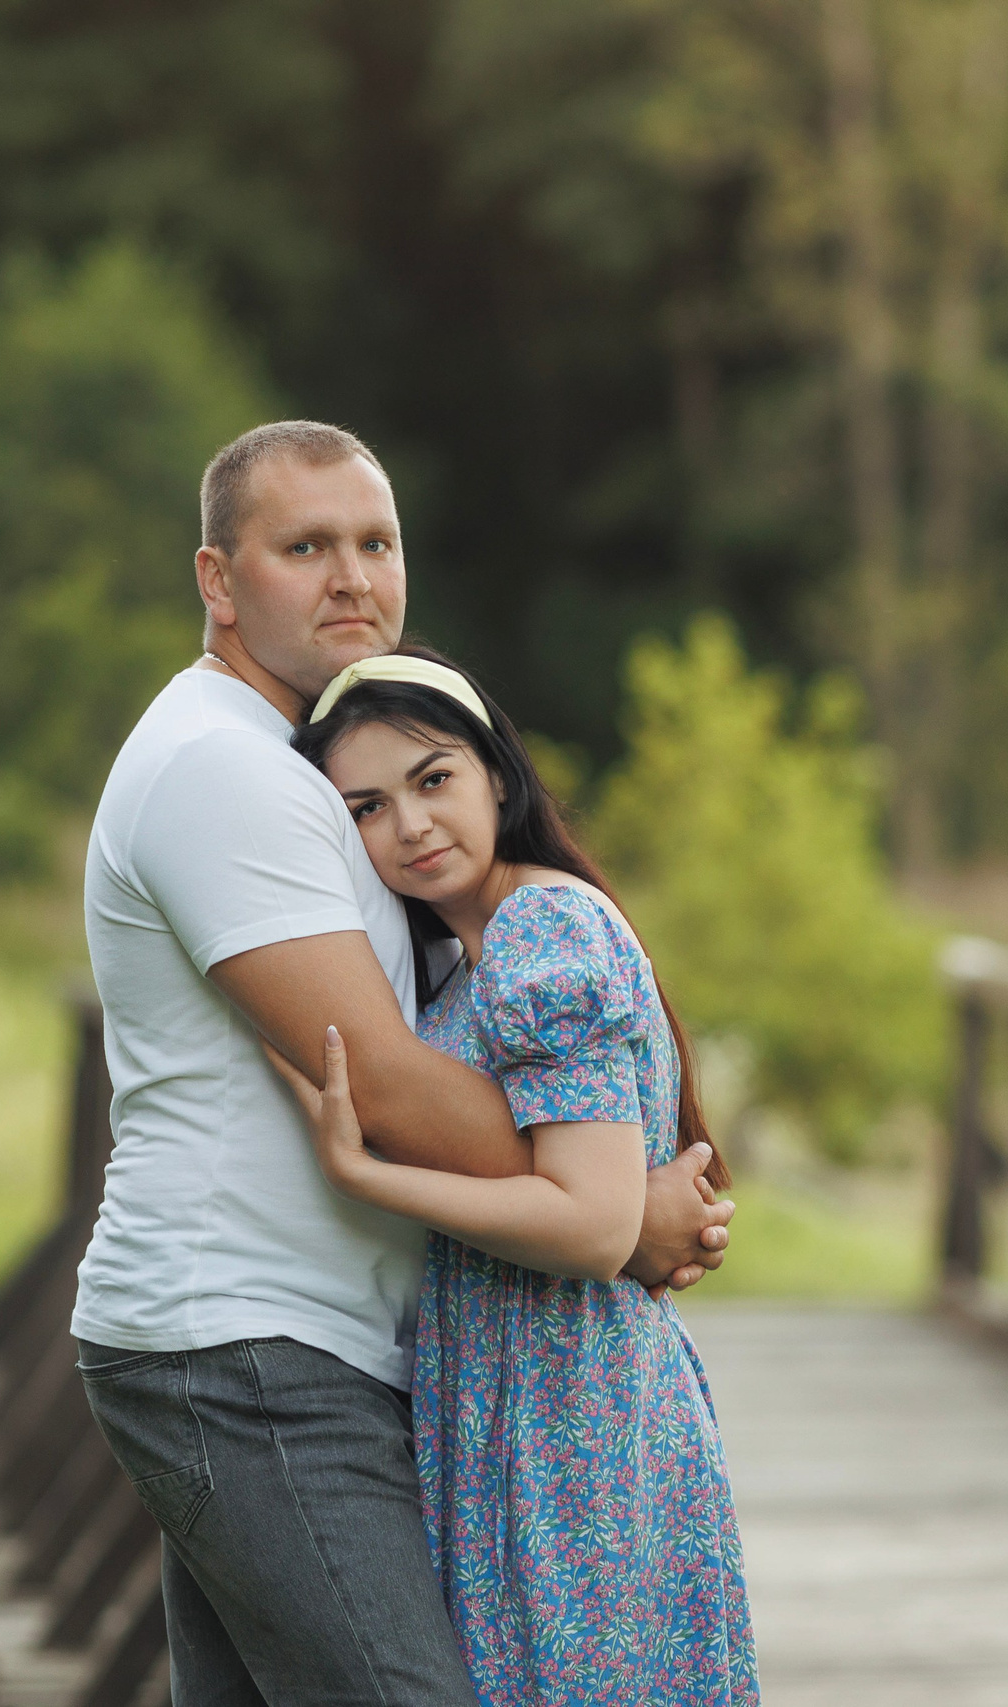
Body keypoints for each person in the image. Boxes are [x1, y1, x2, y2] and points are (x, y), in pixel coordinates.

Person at [74, 420, 736, 1707]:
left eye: (374, 543)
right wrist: (616, 1204)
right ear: (218, 581)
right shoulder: (222, 770)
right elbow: (368, 1075)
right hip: (247, 1346)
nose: (351, 579)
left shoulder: (310, 767)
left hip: (291, 1346)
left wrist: (597, 1194)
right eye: (303, 547)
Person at [269, 647, 759, 1707]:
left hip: (572, 1422)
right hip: (520, 1409)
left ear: (498, 775)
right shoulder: (467, 955)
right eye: (366, 807)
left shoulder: (544, 930)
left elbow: (588, 1227)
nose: (410, 826)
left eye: (433, 779)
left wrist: (367, 1174)